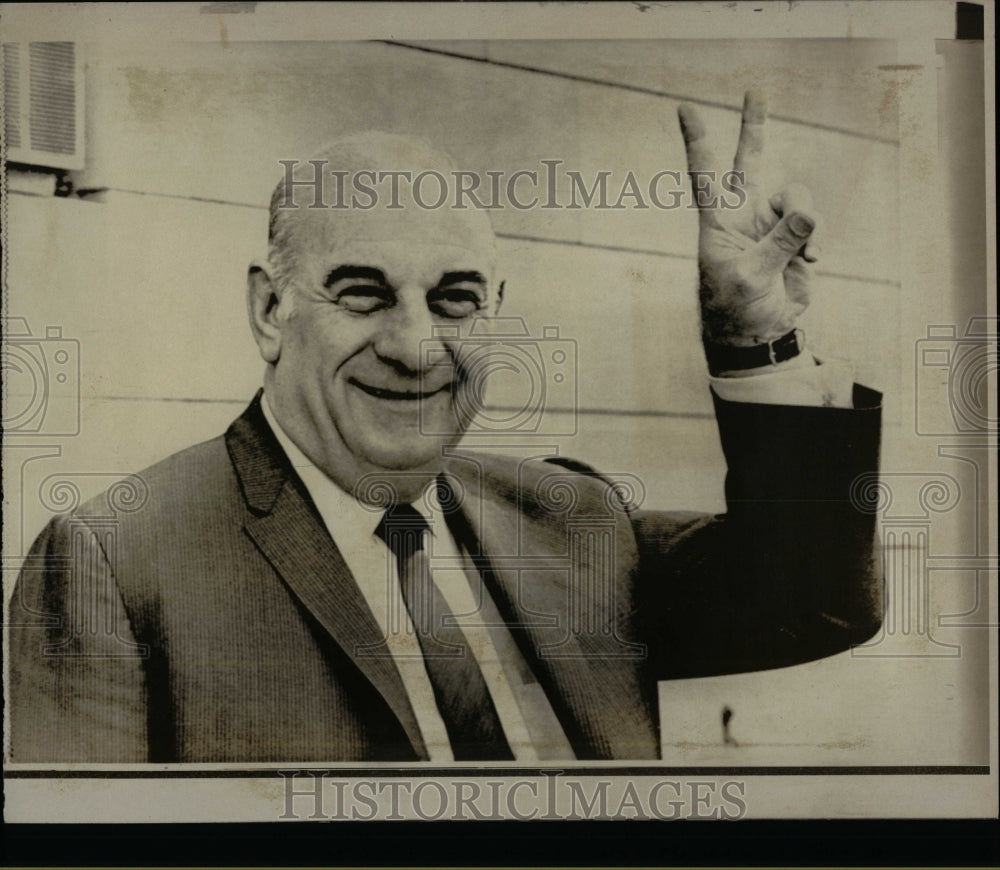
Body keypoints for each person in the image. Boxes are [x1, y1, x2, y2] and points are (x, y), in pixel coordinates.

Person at [8, 93, 883, 762]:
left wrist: (752, 340)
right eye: (364, 294)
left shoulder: (573, 520)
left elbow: (813, 599)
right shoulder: (116, 564)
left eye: (455, 300)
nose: (417, 347)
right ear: (270, 309)